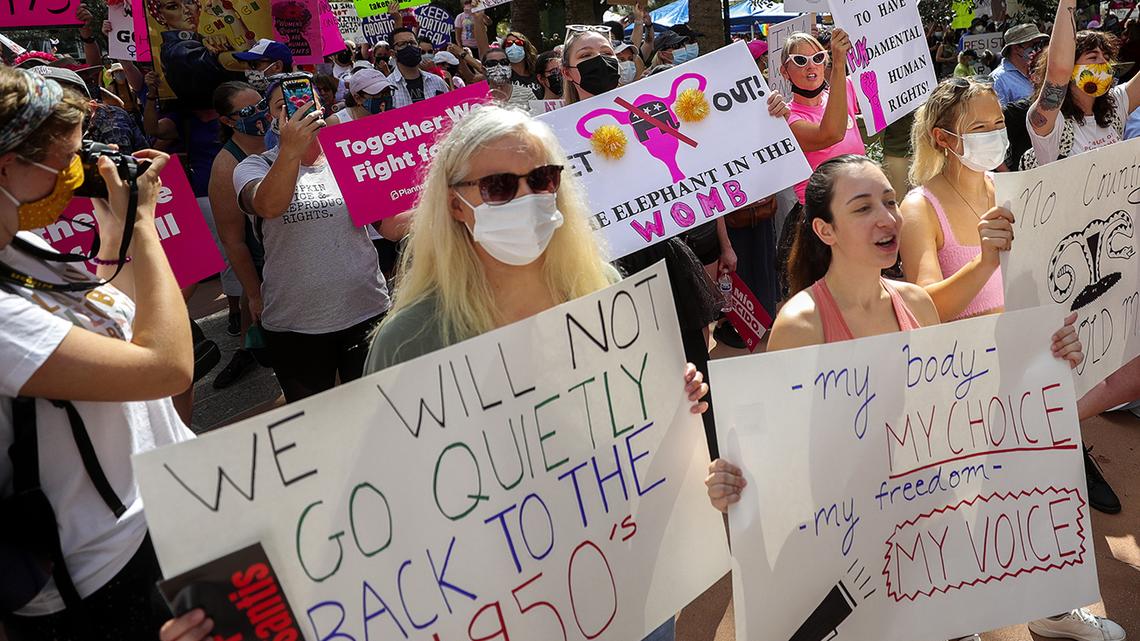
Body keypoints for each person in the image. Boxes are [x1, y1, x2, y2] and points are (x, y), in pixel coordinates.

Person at [704, 155, 1124, 641]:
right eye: (862, 208)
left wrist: (1048, 358)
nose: (887, 218)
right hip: (850, 538)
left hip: (928, 527)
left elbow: (954, 406)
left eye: (888, 201)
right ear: (825, 230)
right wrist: (733, 481)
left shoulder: (918, 304)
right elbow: (778, 449)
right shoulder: (802, 324)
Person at [364, 103, 708, 641]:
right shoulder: (411, 338)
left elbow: (635, 431)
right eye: (500, 186)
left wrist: (672, 402)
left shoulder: (604, 294)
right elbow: (391, 491)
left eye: (543, 179)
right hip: (503, 608)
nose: (528, 197)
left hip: (629, 576)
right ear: (456, 204)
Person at [0, 66, 195, 639]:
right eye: (65, 160)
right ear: (8, 162)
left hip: (163, 505)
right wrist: (144, 226)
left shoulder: (20, 246)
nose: (77, 171)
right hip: (99, 572)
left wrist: (113, 234)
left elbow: (116, 320)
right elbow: (166, 367)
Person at [232, 74, 392, 402]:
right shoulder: (253, 166)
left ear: (323, 108)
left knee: (375, 410)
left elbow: (387, 225)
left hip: (366, 309)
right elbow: (268, 205)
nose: (299, 109)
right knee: (315, 422)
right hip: (295, 324)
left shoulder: (349, 156)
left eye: (310, 101)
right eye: (285, 105)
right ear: (271, 118)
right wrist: (291, 151)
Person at [206, 81, 269, 390]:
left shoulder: (280, 138)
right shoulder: (226, 165)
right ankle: (248, 351)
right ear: (228, 121)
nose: (260, 114)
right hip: (263, 258)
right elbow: (233, 240)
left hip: (290, 245)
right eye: (248, 111)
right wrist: (255, 293)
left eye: (262, 105)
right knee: (258, 310)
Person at [389, 27, 449, 108]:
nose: (409, 46)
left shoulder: (437, 82)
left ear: (419, 48)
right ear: (392, 53)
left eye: (412, 42)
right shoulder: (388, 88)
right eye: (402, 44)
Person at [990, 23, 1049, 106]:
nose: (1039, 49)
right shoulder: (999, 80)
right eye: (1034, 45)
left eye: (1041, 44)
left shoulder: (1039, 71)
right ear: (1016, 48)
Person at [326, 69, 394, 125]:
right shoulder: (336, 122)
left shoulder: (394, 117)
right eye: (376, 95)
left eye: (386, 93)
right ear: (357, 98)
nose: (383, 102)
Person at [503, 31, 542, 101]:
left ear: (525, 47)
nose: (514, 46)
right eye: (509, 44)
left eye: (518, 43)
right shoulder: (503, 75)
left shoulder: (538, 72)